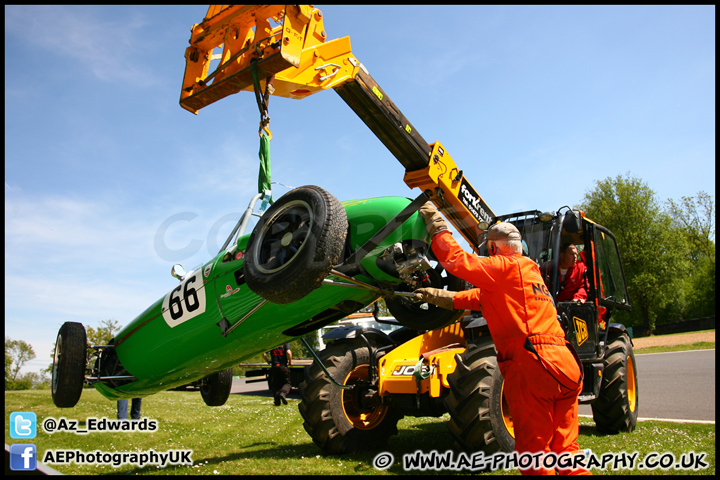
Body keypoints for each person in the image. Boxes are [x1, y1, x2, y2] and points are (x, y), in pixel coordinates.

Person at [414, 203, 589, 475]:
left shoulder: (504, 268)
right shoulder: (528, 275)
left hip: (535, 365)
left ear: (494, 249)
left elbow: (457, 261)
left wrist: (437, 225)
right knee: (565, 451)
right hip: (566, 366)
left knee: (534, 453)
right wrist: (435, 295)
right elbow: (473, 298)